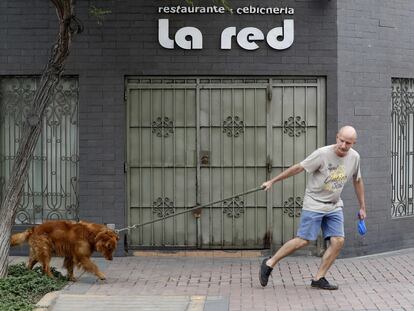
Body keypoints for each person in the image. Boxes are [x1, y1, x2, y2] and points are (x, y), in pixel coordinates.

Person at [259, 125, 366, 290]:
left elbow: (357, 180)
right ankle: (269, 263)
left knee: (338, 241)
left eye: (349, 143)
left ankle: (319, 278)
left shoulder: (355, 157)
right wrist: (272, 181)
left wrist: (362, 207)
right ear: (337, 137)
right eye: (342, 141)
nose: (344, 146)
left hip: (334, 205)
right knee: (303, 240)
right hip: (314, 203)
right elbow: (299, 168)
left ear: (354, 143)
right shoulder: (322, 154)